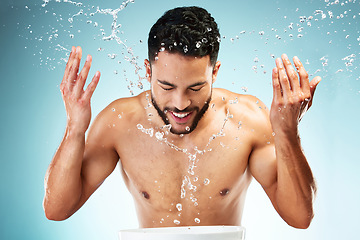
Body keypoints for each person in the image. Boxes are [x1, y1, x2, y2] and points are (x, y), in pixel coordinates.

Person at [43, 6, 321, 229]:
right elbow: (57, 210)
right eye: (166, 87)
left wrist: (287, 132)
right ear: (148, 72)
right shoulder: (120, 122)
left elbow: (299, 218)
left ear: (214, 73)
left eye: (195, 88)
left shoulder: (246, 120)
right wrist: (75, 128)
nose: (180, 104)